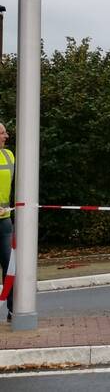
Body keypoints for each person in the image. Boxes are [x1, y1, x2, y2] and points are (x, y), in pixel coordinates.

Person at [0, 122, 14, 321]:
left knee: (11, 267)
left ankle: (12, 309)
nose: (6, 136)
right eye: (2, 133)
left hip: (4, 221)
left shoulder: (9, 155)